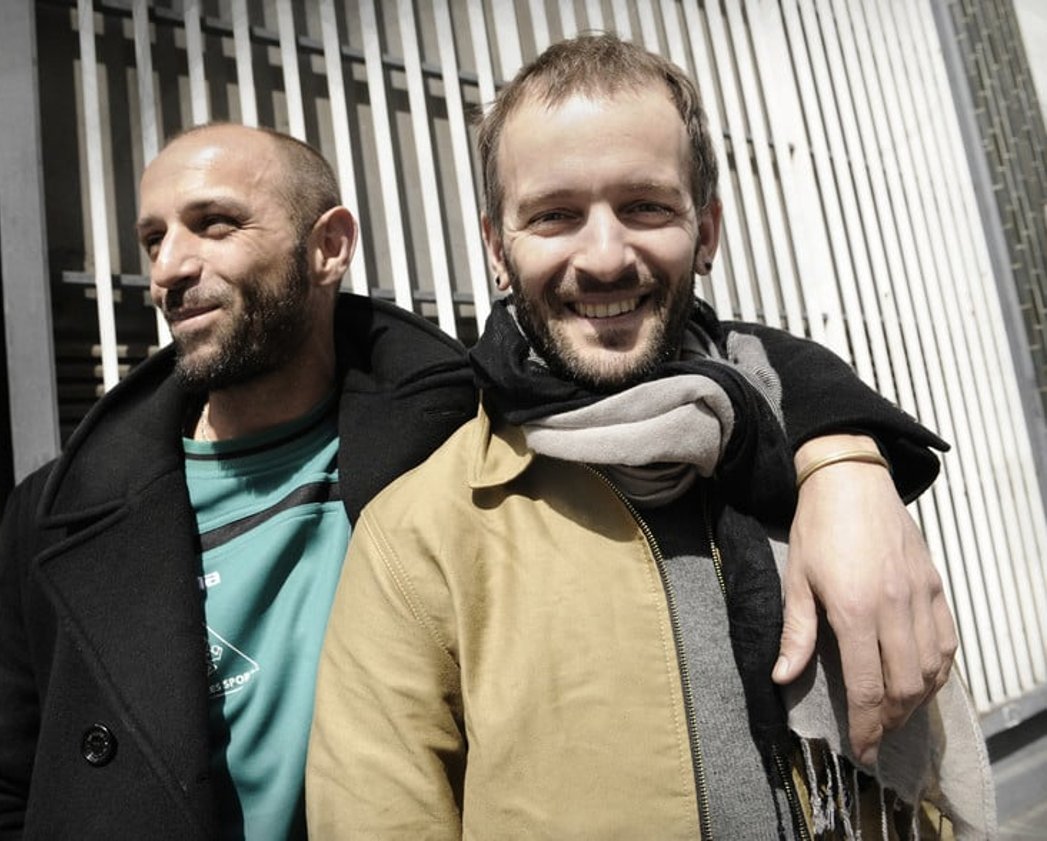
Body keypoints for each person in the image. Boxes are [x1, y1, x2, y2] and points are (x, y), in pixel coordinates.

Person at [0, 120, 956, 839]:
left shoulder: (450, 426)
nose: (169, 267)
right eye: (153, 237)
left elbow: (678, 356)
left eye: (214, 223)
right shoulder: (63, 508)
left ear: (329, 245)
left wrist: (845, 457)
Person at [306, 36, 993, 839]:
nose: (603, 256)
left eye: (645, 207)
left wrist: (845, 458)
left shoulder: (814, 459)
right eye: (555, 214)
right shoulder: (418, 537)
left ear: (704, 231)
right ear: (498, 250)